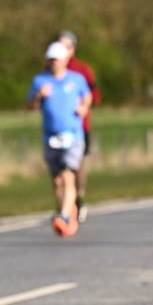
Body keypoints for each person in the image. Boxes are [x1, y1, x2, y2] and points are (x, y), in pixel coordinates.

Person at [27, 42, 92, 237]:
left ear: (65, 60)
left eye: (57, 59)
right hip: (51, 136)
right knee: (56, 180)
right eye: (51, 59)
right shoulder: (40, 81)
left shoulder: (76, 79)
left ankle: (63, 216)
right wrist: (39, 96)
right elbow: (30, 106)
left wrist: (84, 108)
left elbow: (87, 97)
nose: (53, 63)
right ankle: (67, 209)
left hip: (73, 135)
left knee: (67, 175)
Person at [58, 31, 100, 223]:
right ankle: (64, 207)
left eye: (67, 46)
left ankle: (79, 200)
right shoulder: (51, 70)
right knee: (59, 168)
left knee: (78, 165)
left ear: (73, 49)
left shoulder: (82, 70)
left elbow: (95, 95)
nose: (63, 51)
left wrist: (83, 105)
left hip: (79, 126)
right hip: (57, 128)